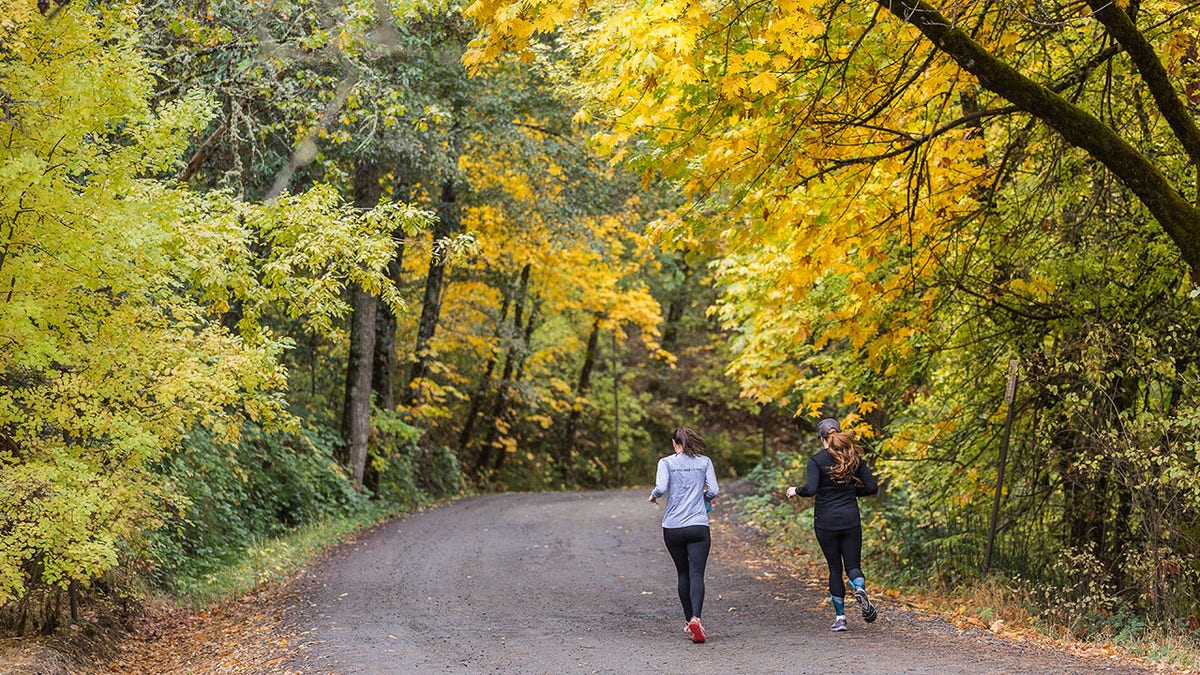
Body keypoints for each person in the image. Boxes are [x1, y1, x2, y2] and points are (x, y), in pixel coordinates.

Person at [785, 418, 879, 632]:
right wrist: (852, 491)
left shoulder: (816, 460)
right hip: (850, 519)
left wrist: (795, 490)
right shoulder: (854, 459)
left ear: (821, 439)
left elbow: (810, 489)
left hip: (826, 522)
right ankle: (860, 588)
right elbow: (872, 488)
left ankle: (840, 618)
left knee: (835, 567)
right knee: (853, 565)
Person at [649, 426, 720, 643]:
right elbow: (714, 490)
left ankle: (689, 621)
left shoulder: (666, 462)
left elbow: (661, 487)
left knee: (683, 574)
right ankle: (697, 618)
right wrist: (704, 498)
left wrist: (653, 496)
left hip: (673, 527)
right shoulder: (704, 461)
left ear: (674, 443)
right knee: (697, 573)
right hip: (698, 525)